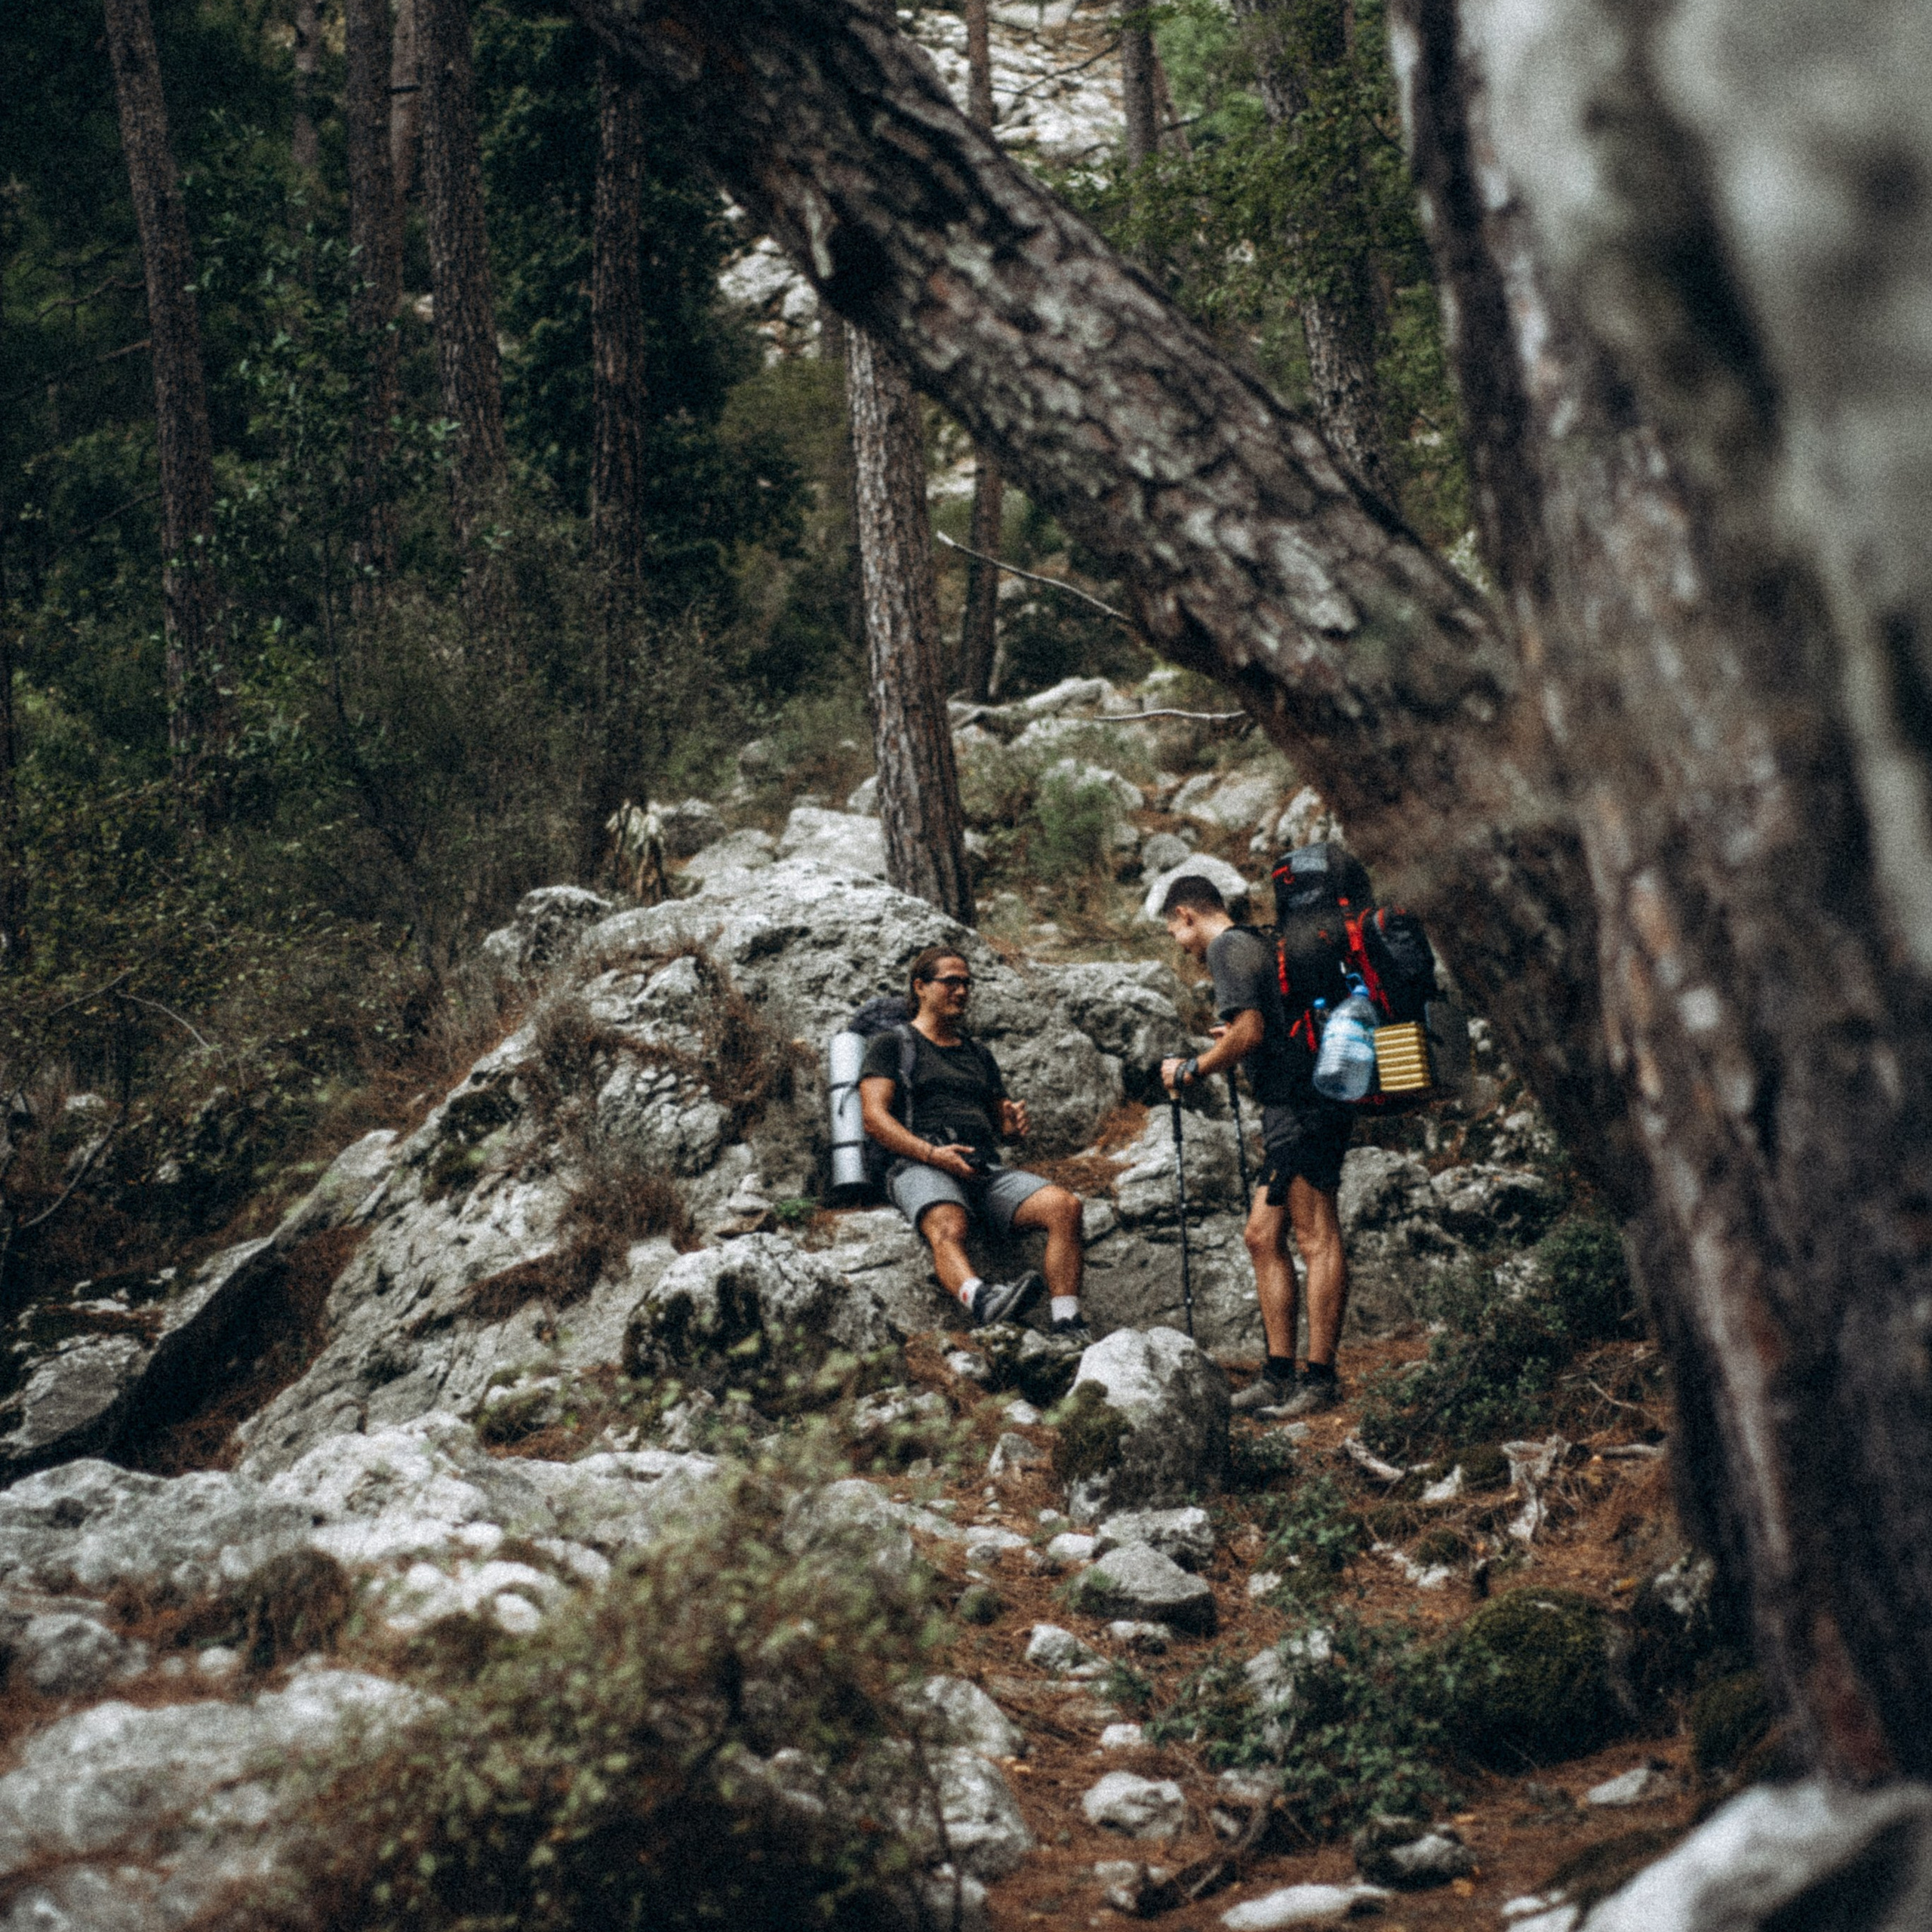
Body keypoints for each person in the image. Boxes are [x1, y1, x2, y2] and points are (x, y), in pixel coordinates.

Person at [1158, 873, 1351, 1417]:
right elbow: (1265, 1025)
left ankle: (1320, 1380)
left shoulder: (1227, 948)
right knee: (1262, 1237)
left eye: (1175, 933)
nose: (1181, 945)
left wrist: (1192, 1069)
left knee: (1316, 1238)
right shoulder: (1256, 942)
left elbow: (1250, 1033)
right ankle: (1278, 1374)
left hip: (1304, 1104)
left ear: (1186, 916)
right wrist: (1240, 1041)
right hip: (1294, 1106)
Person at [860, 946, 1091, 1339]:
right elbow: (873, 1117)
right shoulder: (892, 1044)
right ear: (921, 987)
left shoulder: (978, 1054)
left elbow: (1001, 1123)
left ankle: (1068, 1322)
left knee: (1064, 1207)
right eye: (951, 982)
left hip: (982, 1168)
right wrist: (932, 1154)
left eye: (967, 983)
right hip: (919, 1163)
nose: (962, 991)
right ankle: (982, 1300)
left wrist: (1011, 1127)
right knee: (949, 1223)